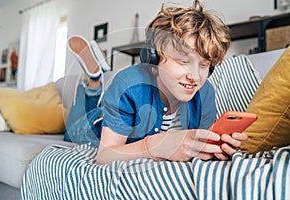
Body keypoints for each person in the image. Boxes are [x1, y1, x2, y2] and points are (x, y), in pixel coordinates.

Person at [66, 0, 248, 165]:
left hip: (116, 110)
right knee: (71, 125)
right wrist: (158, 145)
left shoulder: (205, 91)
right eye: (183, 61)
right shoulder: (127, 84)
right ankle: (94, 84)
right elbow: (105, 156)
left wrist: (216, 150)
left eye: (203, 65)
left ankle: (96, 83)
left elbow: (198, 146)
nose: (195, 76)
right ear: (153, 58)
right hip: (91, 126)